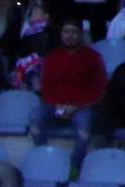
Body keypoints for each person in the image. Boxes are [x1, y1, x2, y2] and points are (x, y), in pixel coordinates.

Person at [29, 18, 106, 172]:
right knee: (35, 118)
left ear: (81, 34)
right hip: (54, 106)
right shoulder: (52, 58)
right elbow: (46, 87)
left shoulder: (93, 58)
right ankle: (44, 159)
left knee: (84, 128)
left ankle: (74, 167)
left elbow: (99, 89)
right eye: (66, 32)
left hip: (81, 109)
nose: (69, 36)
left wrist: (76, 107)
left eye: (74, 32)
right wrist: (59, 107)